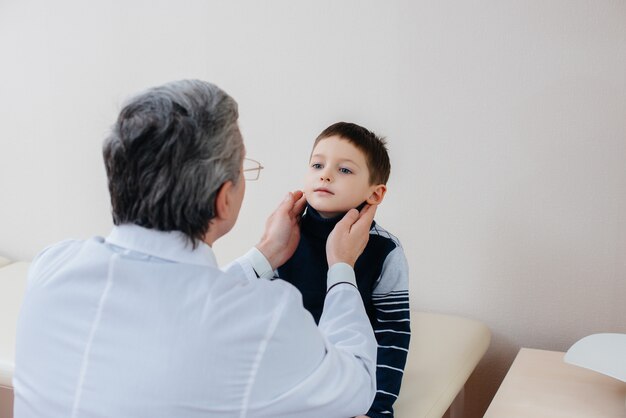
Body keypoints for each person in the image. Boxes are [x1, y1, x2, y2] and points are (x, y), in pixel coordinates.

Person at [13, 80, 379, 418]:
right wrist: (342, 267)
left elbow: (178, 306)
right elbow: (357, 382)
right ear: (224, 198)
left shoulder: (51, 269)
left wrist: (264, 254)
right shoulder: (263, 320)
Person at [277, 122, 410, 418]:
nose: (325, 174)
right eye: (317, 164)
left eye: (345, 170)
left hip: (349, 382)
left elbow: (392, 332)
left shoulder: (385, 250)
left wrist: (376, 407)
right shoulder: (283, 235)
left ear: (375, 194)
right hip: (286, 384)